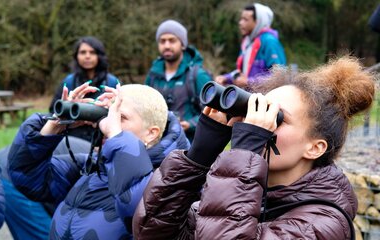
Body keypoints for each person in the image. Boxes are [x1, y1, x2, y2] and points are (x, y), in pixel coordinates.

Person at [133, 56, 375, 239]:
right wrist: (198, 157)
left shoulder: (323, 224)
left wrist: (244, 156)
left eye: (277, 118)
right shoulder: (245, 191)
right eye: (258, 109)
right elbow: (152, 232)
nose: (260, 123)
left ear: (315, 148)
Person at [8, 83, 190, 239]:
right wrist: (55, 124)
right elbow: (27, 176)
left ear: (151, 133)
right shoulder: (92, 167)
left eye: (121, 117)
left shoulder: (168, 181)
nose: (106, 123)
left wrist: (116, 138)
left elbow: (139, 213)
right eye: (106, 114)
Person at [145, 19, 212, 142]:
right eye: (162, 41)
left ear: (182, 44)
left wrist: (190, 124)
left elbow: (213, 111)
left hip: (190, 146)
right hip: (157, 144)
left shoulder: (198, 75)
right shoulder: (153, 74)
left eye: (172, 40)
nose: (167, 45)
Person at [49, 36, 121, 141]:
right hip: (72, 138)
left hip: (103, 140)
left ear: (99, 56)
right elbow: (53, 111)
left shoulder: (112, 82)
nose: (87, 56)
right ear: (76, 56)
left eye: (92, 52)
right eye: (83, 52)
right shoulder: (68, 82)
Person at [215, 3, 286, 88]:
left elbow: (279, 77)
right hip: (248, 97)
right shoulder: (247, 43)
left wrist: (249, 82)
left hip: (264, 99)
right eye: (241, 19)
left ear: (258, 21)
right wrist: (226, 78)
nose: (240, 23)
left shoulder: (270, 42)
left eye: (245, 19)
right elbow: (242, 73)